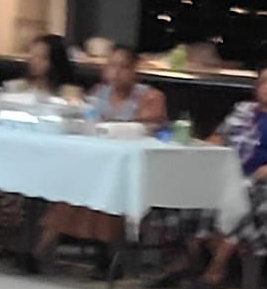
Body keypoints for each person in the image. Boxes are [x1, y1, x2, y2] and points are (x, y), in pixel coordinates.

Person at [166, 62, 267, 289]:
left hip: (265, 183)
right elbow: (219, 139)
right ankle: (187, 258)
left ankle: (217, 268)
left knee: (241, 198)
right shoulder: (243, 111)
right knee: (191, 189)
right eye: (263, 82)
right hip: (227, 174)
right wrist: (197, 149)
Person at [34, 45, 167, 271]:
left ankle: (106, 253)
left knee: (104, 186)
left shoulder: (150, 97)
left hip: (133, 167)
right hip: (97, 162)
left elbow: (150, 124)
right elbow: (85, 118)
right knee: (74, 183)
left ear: (135, 71)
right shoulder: (98, 93)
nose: (116, 72)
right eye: (111, 65)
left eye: (123, 67)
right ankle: (42, 249)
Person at [0, 34, 81, 266]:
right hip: (18, 154)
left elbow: (73, 119)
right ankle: (9, 244)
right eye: (32, 56)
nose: (34, 61)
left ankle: (35, 249)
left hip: (56, 158)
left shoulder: (68, 92)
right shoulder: (17, 87)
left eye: (41, 57)